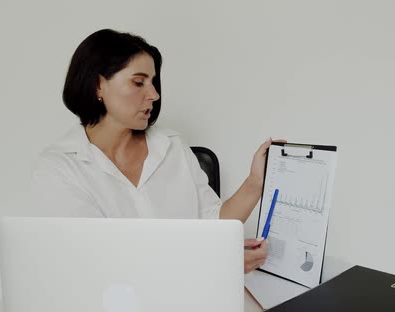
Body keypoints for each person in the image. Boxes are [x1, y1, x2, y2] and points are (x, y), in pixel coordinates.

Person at [31, 29, 270, 273]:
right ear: (98, 85)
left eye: (153, 82)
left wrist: (255, 182)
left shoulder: (171, 145)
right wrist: (216, 263)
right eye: (138, 82)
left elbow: (213, 226)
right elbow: (98, 263)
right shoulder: (59, 168)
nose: (154, 95)